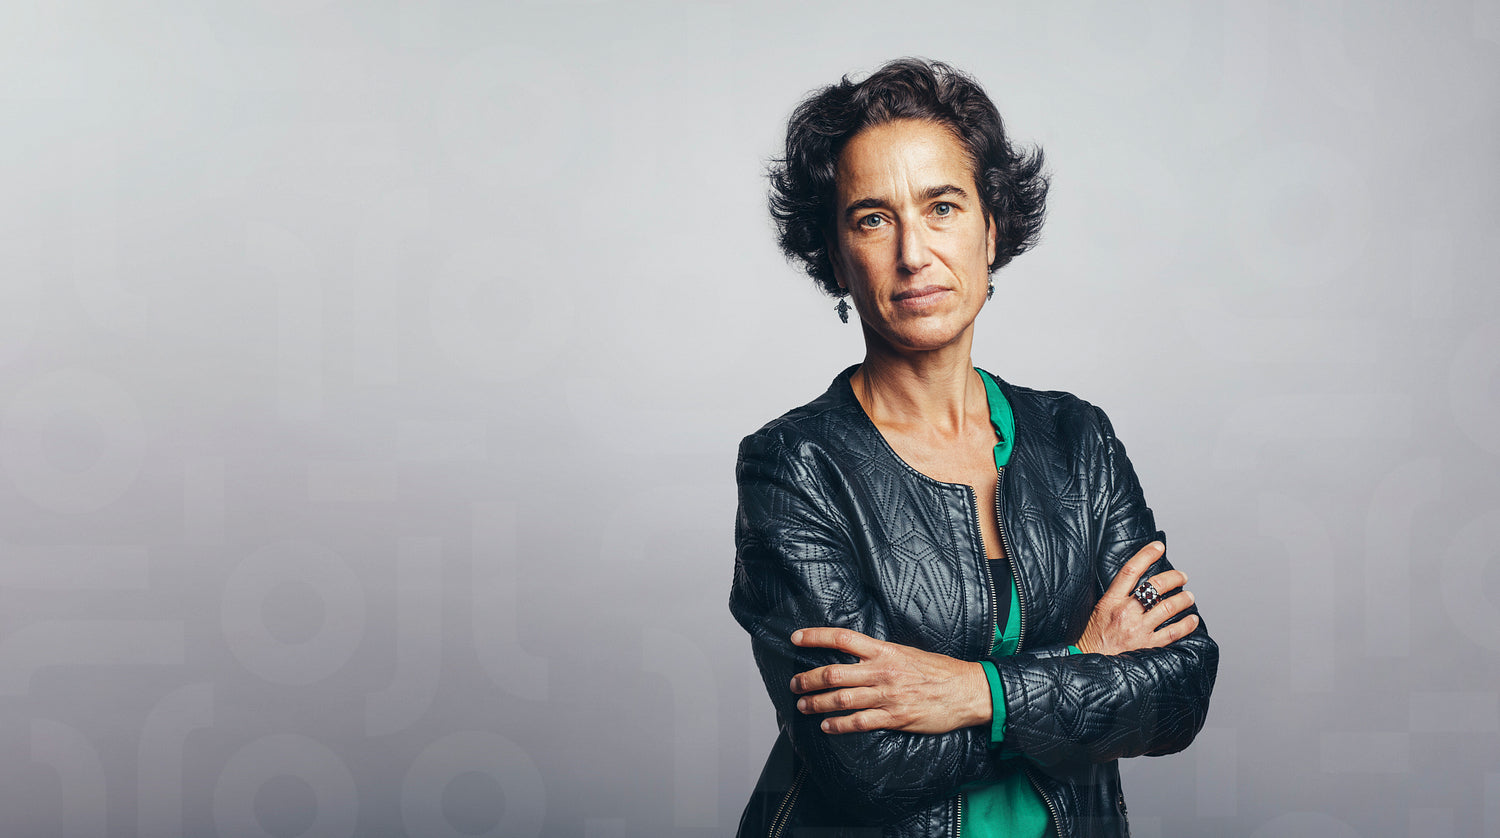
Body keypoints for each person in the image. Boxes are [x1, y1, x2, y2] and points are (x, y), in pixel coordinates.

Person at [729, 58, 1219, 838]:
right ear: (836, 256)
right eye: (873, 219)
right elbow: (865, 764)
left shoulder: (1078, 441)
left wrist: (970, 692)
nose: (913, 253)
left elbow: (1179, 692)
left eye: (942, 207)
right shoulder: (795, 467)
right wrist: (1085, 662)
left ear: (991, 229)